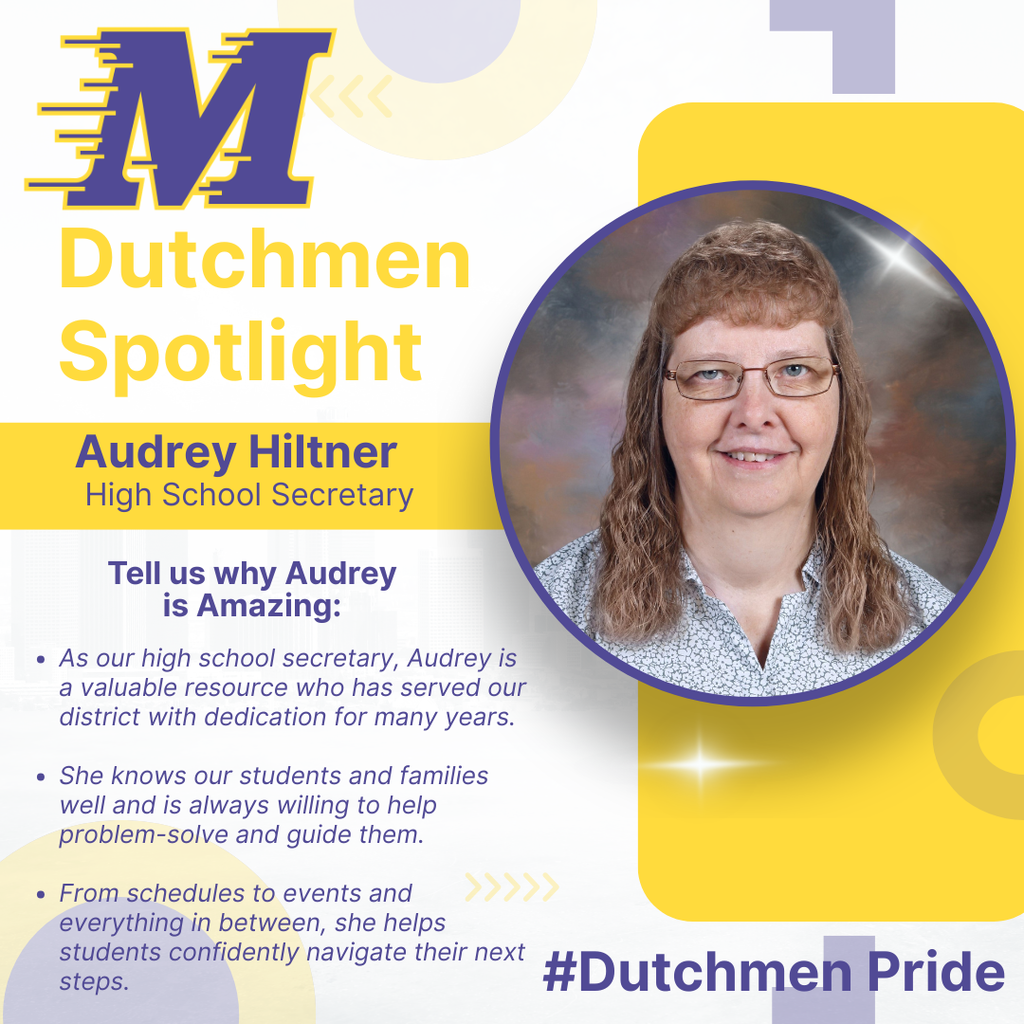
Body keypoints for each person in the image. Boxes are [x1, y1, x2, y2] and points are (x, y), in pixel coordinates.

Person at [533, 220, 953, 697]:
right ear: (657, 400)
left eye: (795, 369)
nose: (754, 415)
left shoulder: (931, 628)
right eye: (710, 372)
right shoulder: (546, 613)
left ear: (842, 398)